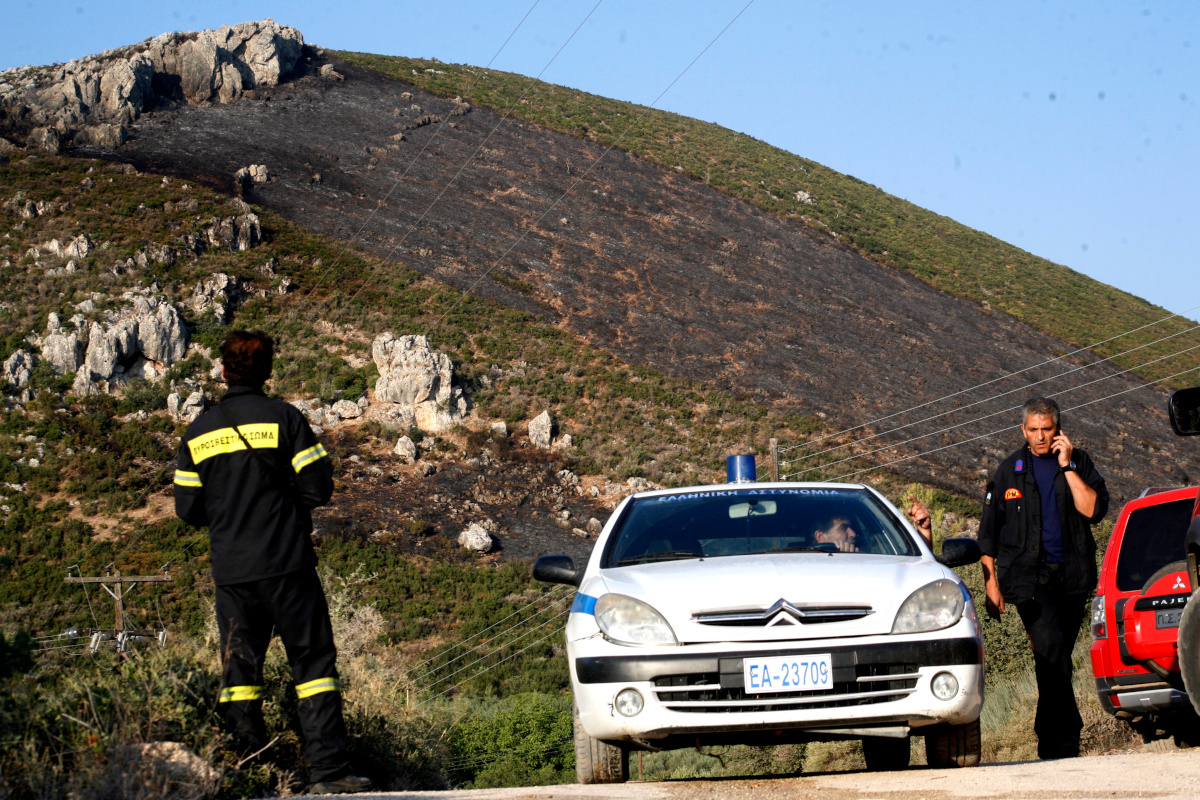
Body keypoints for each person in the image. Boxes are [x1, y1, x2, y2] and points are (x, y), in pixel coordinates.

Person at [174, 331, 371, 794]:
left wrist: (228, 514)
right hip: (288, 565)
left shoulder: (198, 431)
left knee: (239, 673)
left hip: (232, 572)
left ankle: (248, 774)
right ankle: (328, 772)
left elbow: (187, 510)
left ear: (223, 371)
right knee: (313, 664)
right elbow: (318, 488)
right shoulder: (285, 419)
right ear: (267, 372)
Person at [977, 397, 1109, 759]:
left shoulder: (1080, 463)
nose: (1040, 436)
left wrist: (1067, 467)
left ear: (1058, 429)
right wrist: (990, 583)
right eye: (1033, 429)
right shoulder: (1009, 471)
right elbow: (988, 533)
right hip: (1028, 581)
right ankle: (1066, 737)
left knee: (1057, 658)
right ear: (1023, 430)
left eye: (1046, 429)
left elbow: (1094, 511)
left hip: (1073, 577)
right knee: (1050, 649)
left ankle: (1048, 738)